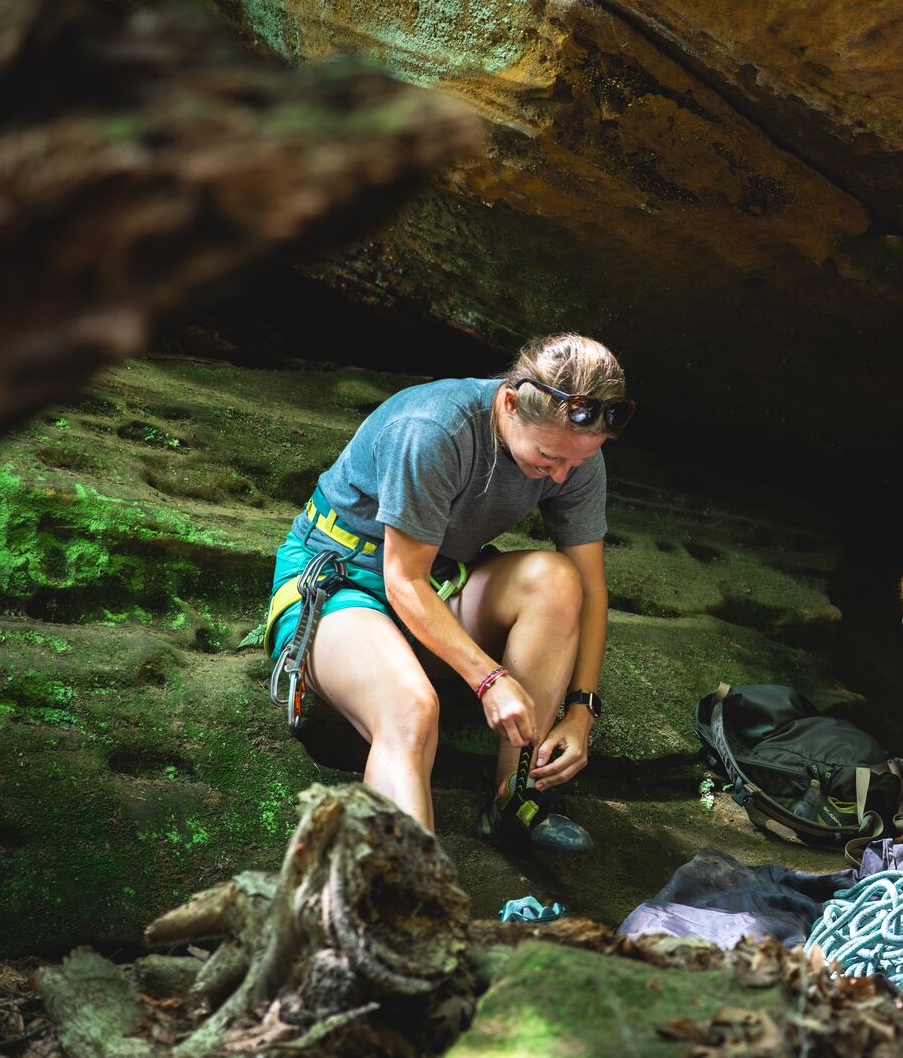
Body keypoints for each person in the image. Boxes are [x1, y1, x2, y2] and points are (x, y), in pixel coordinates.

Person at [262, 333, 633, 851]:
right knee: (412, 711)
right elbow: (402, 580)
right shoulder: (433, 428)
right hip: (344, 584)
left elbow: (592, 587)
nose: (563, 475)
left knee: (557, 580)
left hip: (441, 584)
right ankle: (407, 893)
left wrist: (581, 710)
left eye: (576, 463)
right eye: (549, 458)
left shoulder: (575, 453)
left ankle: (516, 798)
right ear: (509, 402)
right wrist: (490, 679)